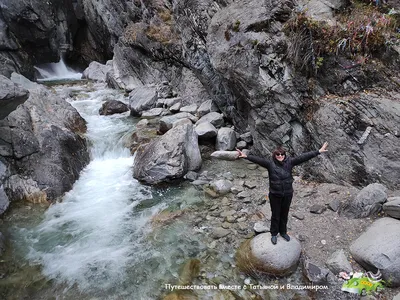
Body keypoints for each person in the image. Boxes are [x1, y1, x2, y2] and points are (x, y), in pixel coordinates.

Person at [236, 142, 328, 245]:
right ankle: (274, 234)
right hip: (275, 195)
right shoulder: (270, 164)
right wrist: (246, 156)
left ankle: (283, 232)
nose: (280, 156)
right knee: (275, 215)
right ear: (274, 156)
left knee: (284, 214)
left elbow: (303, 157)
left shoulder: (290, 162)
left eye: (282, 154)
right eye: (278, 155)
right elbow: (258, 160)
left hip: (287, 194)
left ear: (284, 155)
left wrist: (318, 151)